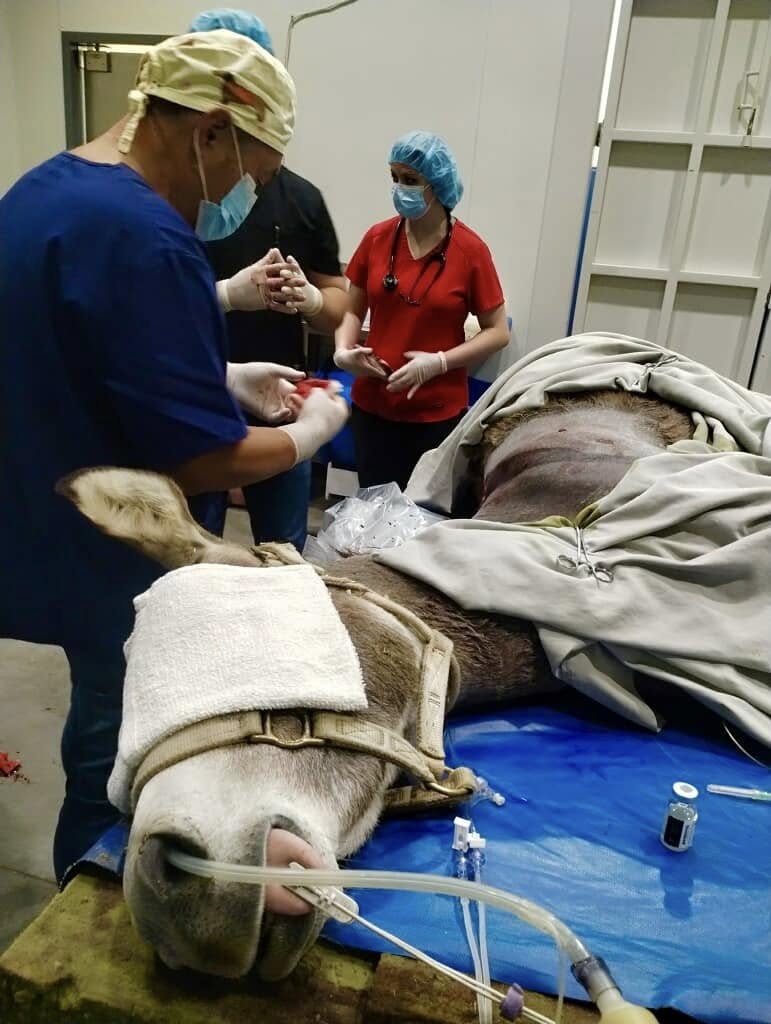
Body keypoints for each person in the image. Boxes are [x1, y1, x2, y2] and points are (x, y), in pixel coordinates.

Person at [0, 29, 348, 881]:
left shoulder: (38, 193)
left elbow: (72, 356)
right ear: (210, 132)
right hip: (109, 553)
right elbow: (202, 462)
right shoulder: (148, 238)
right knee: (118, 770)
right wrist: (310, 433)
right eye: (250, 174)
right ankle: (91, 915)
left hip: (37, 523)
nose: (241, 196)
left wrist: (217, 378)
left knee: (96, 733)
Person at [191, 10, 348, 549]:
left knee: (282, 552)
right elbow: (140, 317)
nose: (252, 184)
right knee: (192, 552)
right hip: (192, 396)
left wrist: (311, 300)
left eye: (265, 173)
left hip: (280, 396)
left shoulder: (300, 199)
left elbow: (339, 306)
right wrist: (225, 296)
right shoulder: (166, 205)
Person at [334, 130, 509, 491]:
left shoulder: (470, 251)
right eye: (395, 177)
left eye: (411, 180)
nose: (400, 188)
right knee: (374, 510)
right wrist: (343, 351)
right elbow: (352, 311)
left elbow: (497, 332)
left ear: (438, 184)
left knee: (420, 515)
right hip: (373, 408)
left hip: (435, 415)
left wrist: (439, 362)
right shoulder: (377, 238)